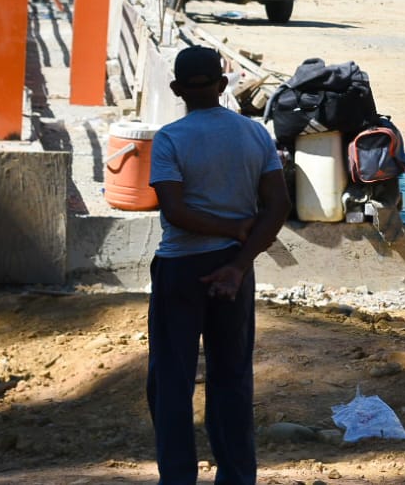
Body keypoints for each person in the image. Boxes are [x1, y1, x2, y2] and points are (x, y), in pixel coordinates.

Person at [147, 46, 289, 485]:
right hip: (234, 270)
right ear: (222, 84)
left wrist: (229, 233)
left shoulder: (170, 138)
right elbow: (278, 205)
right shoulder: (253, 134)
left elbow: (175, 211)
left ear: (176, 89)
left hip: (180, 271)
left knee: (172, 380)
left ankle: (178, 478)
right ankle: (237, 476)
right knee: (231, 378)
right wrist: (238, 260)